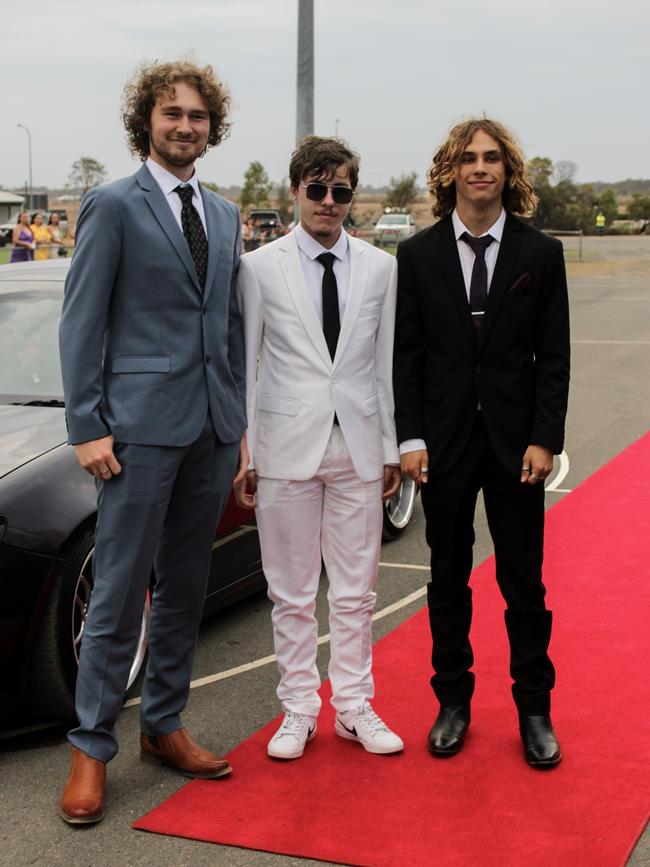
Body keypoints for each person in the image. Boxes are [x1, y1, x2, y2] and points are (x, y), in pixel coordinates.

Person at [58, 59, 247, 824]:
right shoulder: (112, 204)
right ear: (148, 122)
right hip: (135, 435)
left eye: (198, 116)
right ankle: (90, 747)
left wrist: (237, 425)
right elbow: (81, 321)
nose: (185, 126)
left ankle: (163, 725)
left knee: (184, 591)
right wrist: (88, 425)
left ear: (212, 127)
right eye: (172, 114)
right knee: (115, 596)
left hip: (211, 432)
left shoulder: (227, 215)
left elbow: (228, 326)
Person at [393, 118, 570, 768]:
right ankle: (453, 702)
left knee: (524, 584)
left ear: (507, 171)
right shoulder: (416, 255)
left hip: (515, 449)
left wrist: (545, 438)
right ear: (451, 171)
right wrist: (408, 436)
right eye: (468, 158)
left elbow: (554, 357)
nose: (480, 168)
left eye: (492, 158)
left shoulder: (539, 255)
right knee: (447, 579)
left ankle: (534, 709)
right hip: (441, 447)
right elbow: (406, 355)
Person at [235, 136, 403, 760]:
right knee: (291, 590)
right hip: (284, 448)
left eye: (340, 191)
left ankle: (354, 705)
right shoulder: (257, 268)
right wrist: (246, 451)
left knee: (357, 591)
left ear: (351, 196)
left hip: (358, 447)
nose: (329, 201)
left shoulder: (382, 268)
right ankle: (298, 707)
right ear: (296, 191)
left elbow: (384, 366)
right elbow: (249, 365)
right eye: (317, 189)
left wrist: (389, 447)